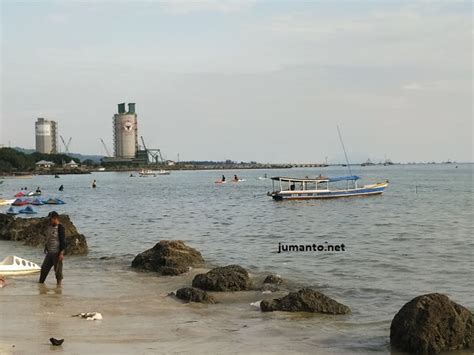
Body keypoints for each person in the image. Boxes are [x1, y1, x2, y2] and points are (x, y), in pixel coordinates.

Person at [39, 211, 66, 286]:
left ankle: (59, 286)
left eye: (50, 219)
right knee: (44, 268)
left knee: (58, 271)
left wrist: (61, 253)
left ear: (55, 219)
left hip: (57, 253)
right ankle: (40, 284)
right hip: (49, 253)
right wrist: (46, 247)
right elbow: (48, 238)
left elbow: (63, 241)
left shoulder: (60, 228)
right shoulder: (49, 227)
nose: (49, 221)